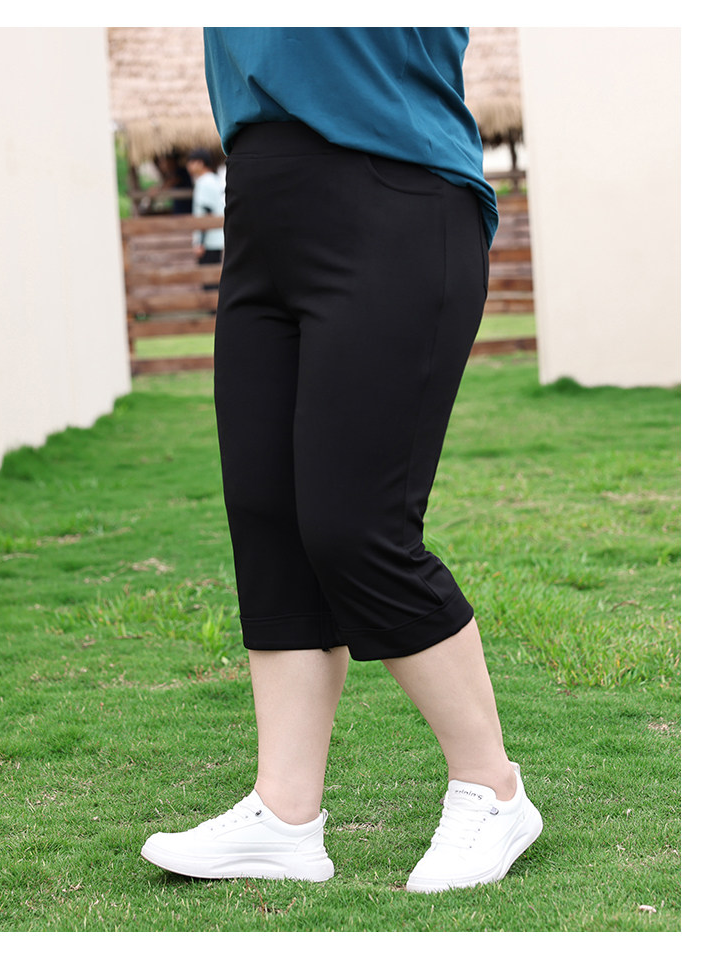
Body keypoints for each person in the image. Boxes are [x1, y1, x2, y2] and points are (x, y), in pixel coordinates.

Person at [141, 27, 543, 893]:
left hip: (394, 187)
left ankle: (494, 788)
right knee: (269, 516)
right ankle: (285, 816)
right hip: (259, 203)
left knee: (355, 526)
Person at [186, 148, 225, 265]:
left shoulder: (203, 182)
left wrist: (200, 243)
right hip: (217, 237)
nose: (188, 166)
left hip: (209, 241)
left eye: (191, 162)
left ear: (200, 163)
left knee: (207, 273)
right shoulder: (214, 179)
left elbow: (206, 212)